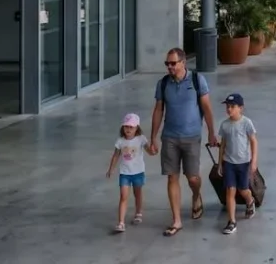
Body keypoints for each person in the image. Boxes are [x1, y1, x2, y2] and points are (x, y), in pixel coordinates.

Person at [148, 48, 218, 237]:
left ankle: (196, 195)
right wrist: (153, 137)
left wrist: (212, 132)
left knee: (192, 177)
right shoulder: (163, 84)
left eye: (173, 63)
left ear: (183, 62)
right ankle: (176, 220)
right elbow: (158, 111)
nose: (169, 66)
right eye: (167, 63)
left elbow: (207, 108)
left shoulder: (197, 80)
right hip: (169, 137)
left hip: (192, 137)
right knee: (172, 177)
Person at [217, 93, 258, 234]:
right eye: (228, 107)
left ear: (241, 108)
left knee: (243, 189)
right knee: (230, 190)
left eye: (232, 106)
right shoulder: (225, 125)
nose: (229, 109)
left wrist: (254, 161)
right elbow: (223, 145)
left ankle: (250, 201)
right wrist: (220, 163)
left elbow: (253, 141)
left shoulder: (246, 123)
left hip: (244, 163)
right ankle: (231, 221)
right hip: (229, 162)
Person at [106, 113, 150, 233]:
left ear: (137, 128)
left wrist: (153, 149)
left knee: (138, 194)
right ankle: (121, 222)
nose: (128, 129)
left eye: (131, 127)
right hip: (125, 173)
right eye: (126, 127)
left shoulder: (141, 139)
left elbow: (149, 150)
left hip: (138, 172)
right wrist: (111, 169)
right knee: (123, 196)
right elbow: (115, 156)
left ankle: (138, 212)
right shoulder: (120, 141)